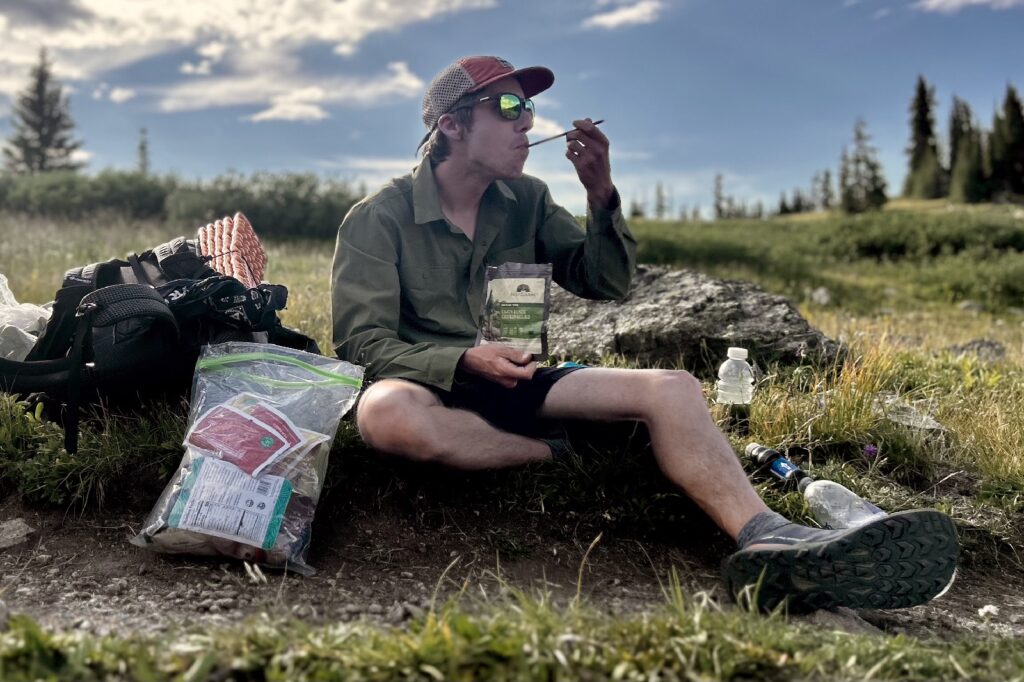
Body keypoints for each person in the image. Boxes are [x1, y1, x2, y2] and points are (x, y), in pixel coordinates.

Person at [331, 55, 958, 611]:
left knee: (672, 388)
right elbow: (363, 343)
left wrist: (600, 194)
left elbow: (604, 282)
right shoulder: (377, 219)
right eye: (510, 106)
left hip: (519, 379)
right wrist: (464, 362)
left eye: (531, 108)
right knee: (386, 417)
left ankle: (768, 537)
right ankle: (560, 452)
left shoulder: (526, 199)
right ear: (451, 124)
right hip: (430, 385)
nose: (528, 122)